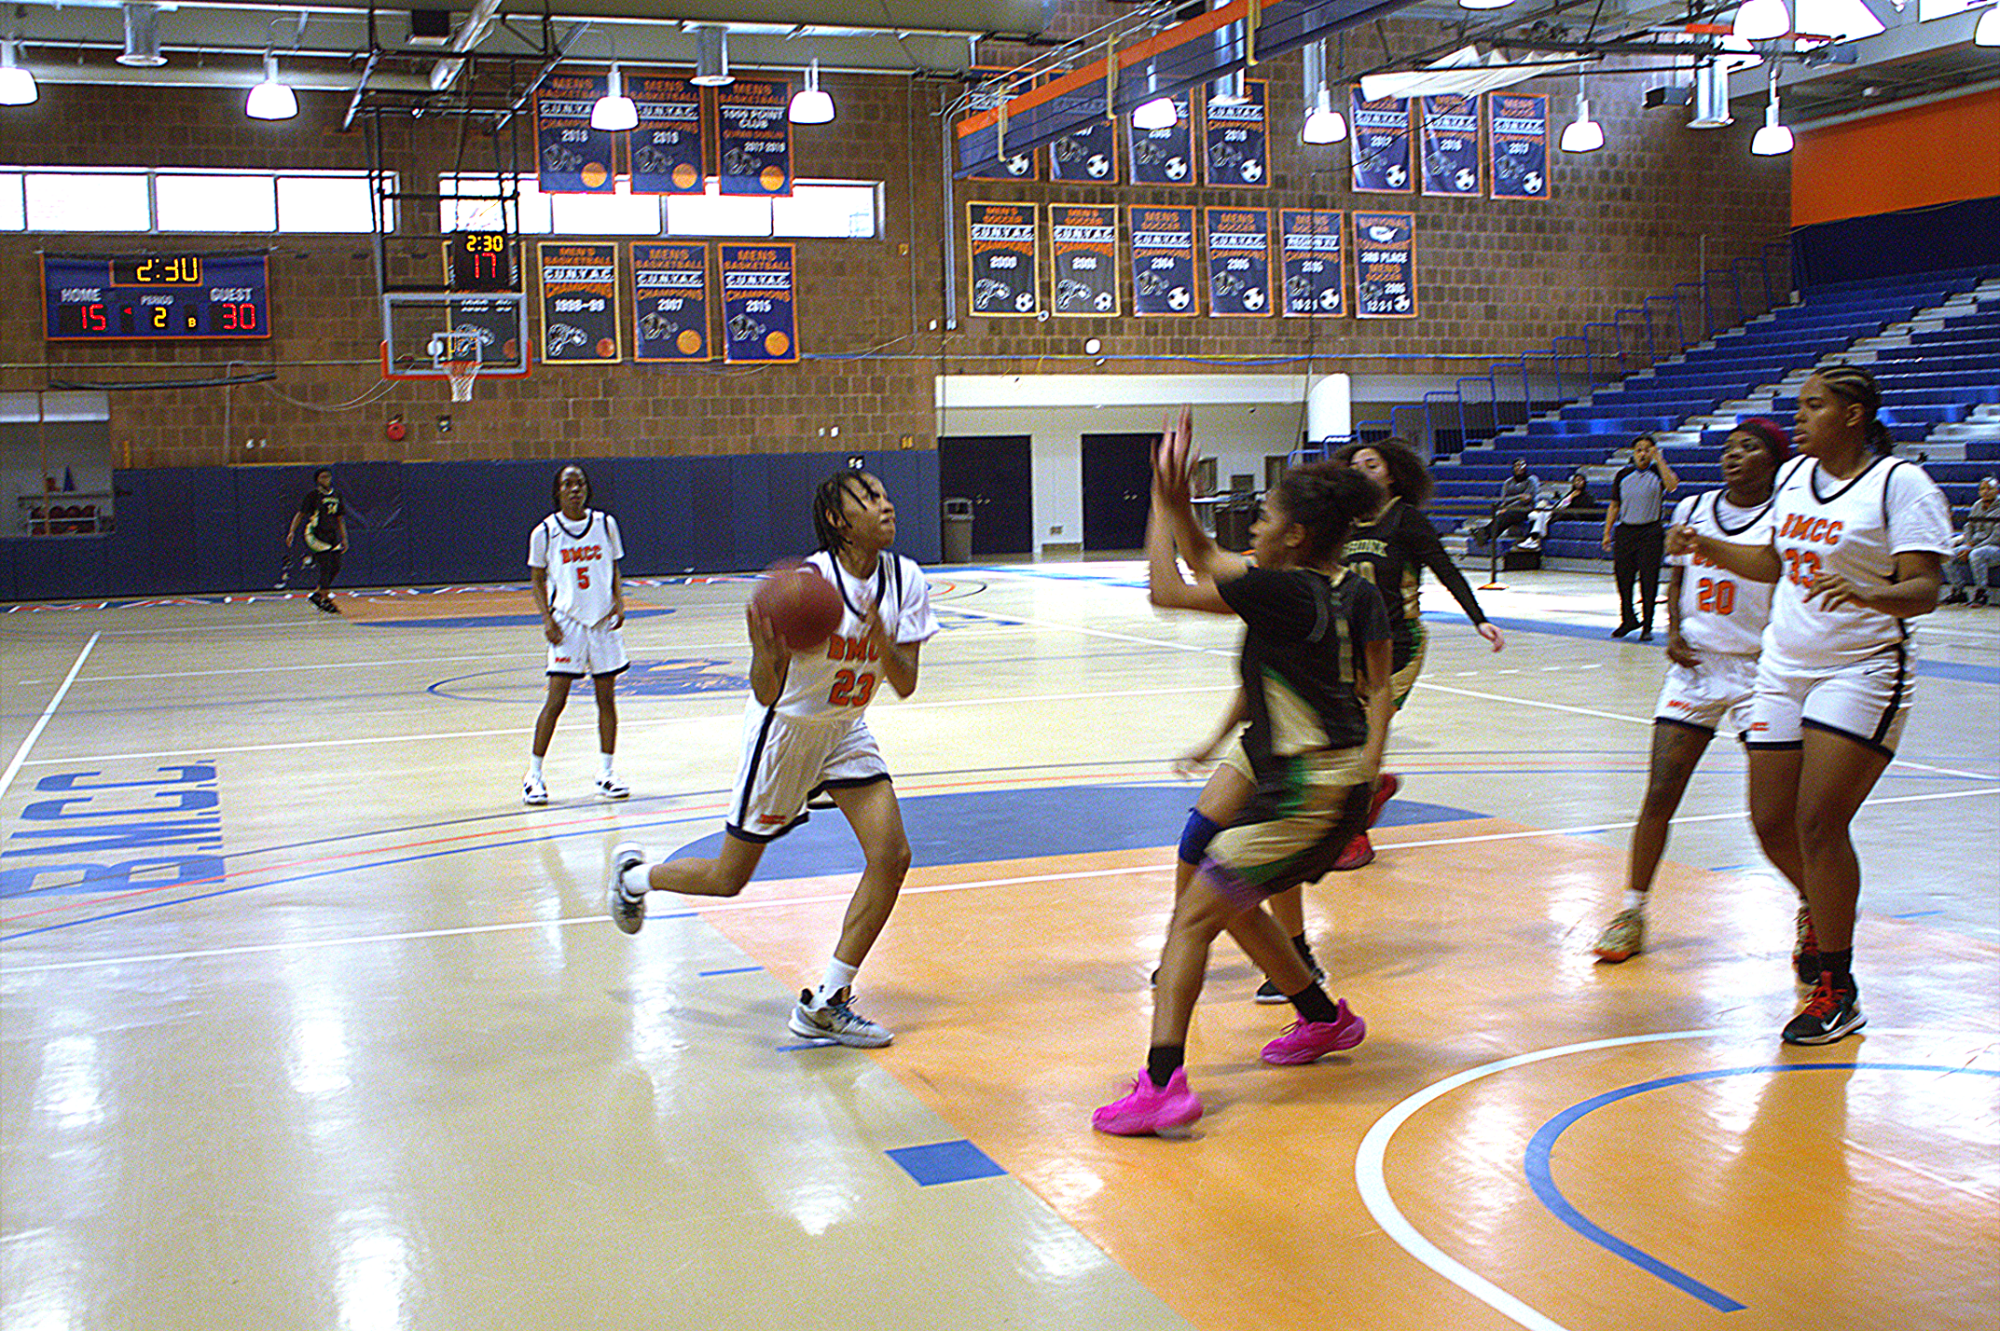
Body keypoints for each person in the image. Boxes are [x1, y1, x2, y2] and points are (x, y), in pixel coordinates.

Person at [1095, 407, 1390, 1136]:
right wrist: (1172, 503)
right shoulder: (1298, 585)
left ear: (1296, 535)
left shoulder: (1282, 589)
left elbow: (1170, 586)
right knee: (1227, 897)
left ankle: (1162, 1083)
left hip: (1310, 791)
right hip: (1311, 779)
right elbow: (1201, 556)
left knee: (1193, 917)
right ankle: (1321, 1017)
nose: (1254, 526)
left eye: (1264, 517)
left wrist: (1164, 501)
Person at [604, 468, 939, 1049]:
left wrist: (884, 638)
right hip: (785, 732)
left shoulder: (905, 579)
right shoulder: (804, 587)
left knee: (892, 856)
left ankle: (827, 1001)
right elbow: (766, 690)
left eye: (886, 496)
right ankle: (635, 878)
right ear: (837, 520)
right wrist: (765, 656)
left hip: (845, 729)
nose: (886, 506)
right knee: (728, 878)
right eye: (868, 499)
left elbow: (905, 684)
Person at [1666, 365, 1951, 1044]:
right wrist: (1707, 546)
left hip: (1862, 667)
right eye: (1799, 406)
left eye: (1813, 406)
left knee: (1819, 821)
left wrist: (1868, 591)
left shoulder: (1899, 484)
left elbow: (1925, 589)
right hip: (1783, 666)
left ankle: (1838, 988)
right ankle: (1824, 905)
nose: (1798, 418)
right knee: (1771, 823)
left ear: (1853, 415)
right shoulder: (1795, 477)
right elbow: (1775, 563)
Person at [1593, 419, 1788, 962]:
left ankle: (1811, 907)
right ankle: (1632, 910)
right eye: (1728, 447)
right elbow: (1678, 575)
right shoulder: (1693, 507)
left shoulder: (1784, 517)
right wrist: (1674, 630)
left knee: (1772, 816)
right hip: (1696, 667)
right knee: (1659, 792)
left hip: (1759, 672)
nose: (1733, 455)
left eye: (1748, 447)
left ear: (1773, 461)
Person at [524, 464, 628, 805]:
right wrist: (546, 619)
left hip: (601, 622)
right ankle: (533, 776)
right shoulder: (545, 531)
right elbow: (537, 580)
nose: (574, 489)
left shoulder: (605, 524)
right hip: (567, 622)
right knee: (556, 701)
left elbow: (614, 567)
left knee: (606, 700)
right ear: (558, 491)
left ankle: (606, 773)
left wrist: (619, 601)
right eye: (567, 484)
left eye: (580, 483)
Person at [1603, 434, 1680, 640]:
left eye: (1647, 450)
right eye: (1639, 450)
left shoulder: (1658, 473)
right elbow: (1614, 505)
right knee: (1623, 578)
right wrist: (1607, 532)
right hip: (1626, 531)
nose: (1642, 454)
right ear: (1633, 453)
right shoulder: (1623, 475)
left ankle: (1647, 625)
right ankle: (1628, 619)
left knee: (1649, 578)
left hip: (1650, 532)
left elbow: (1672, 486)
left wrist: (1659, 459)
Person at [285, 468, 347, 614]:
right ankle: (325, 599)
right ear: (317, 480)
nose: (326, 479)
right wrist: (291, 531)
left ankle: (318, 594)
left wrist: (344, 537)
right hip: (315, 534)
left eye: (328, 476)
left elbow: (340, 518)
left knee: (336, 566)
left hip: (332, 534)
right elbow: (300, 514)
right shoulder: (313, 496)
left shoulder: (337, 495)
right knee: (326, 566)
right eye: (322, 477)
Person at [1941, 475, 1999, 605]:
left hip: (1995, 547)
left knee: (1976, 554)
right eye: (1982, 489)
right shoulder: (1977, 505)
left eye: (1989, 488)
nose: (1985, 492)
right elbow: (1968, 526)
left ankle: (1982, 593)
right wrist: (1968, 543)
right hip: (1976, 545)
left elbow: (1996, 538)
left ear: (1997, 490)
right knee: (1948, 555)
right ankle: (1958, 591)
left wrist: (1972, 548)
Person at [1524, 471, 1600, 548]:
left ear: (1584, 482)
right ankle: (1534, 538)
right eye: (1576, 481)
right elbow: (1561, 504)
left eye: (1580, 480)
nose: (1578, 482)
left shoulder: (1588, 496)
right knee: (1541, 512)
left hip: (1573, 514)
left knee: (1542, 515)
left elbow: (1584, 509)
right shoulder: (1571, 493)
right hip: (1559, 510)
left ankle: (1534, 539)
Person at [1476, 458, 1539, 546]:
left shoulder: (1532, 480)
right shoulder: (1508, 482)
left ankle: (1484, 532)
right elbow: (1505, 499)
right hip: (1510, 510)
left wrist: (1510, 505)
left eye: (1522, 465)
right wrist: (1519, 496)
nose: (1520, 467)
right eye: (1517, 465)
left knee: (1505, 515)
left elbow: (1528, 499)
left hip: (1526, 509)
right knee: (1503, 516)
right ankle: (1486, 535)